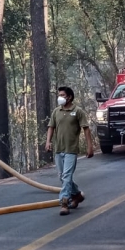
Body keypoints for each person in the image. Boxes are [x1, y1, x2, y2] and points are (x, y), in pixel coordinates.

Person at [45, 86, 94, 216]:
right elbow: (51, 127)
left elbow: (86, 129)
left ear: (70, 97)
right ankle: (77, 195)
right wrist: (48, 142)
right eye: (59, 95)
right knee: (62, 177)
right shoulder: (56, 111)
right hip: (59, 149)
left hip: (71, 149)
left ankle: (64, 202)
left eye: (62, 95)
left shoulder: (78, 111)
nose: (60, 97)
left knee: (66, 176)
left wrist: (90, 146)